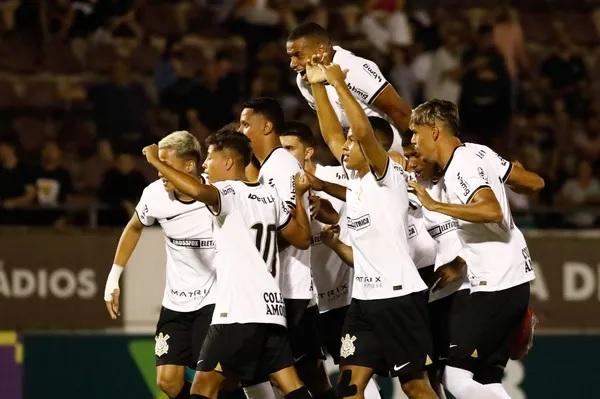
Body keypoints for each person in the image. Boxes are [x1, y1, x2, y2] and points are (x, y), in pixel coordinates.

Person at [141, 128, 313, 399]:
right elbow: (303, 238)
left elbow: (196, 190)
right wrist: (300, 197)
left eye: (210, 158)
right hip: (271, 309)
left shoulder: (227, 192)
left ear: (228, 162)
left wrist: (156, 162)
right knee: (290, 384)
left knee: (202, 388)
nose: (205, 165)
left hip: (237, 311)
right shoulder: (270, 196)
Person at [307, 58, 437, 399]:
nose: (344, 146)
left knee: (414, 386)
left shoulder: (386, 177)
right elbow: (332, 134)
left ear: (372, 149)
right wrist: (318, 85)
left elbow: (361, 131)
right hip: (363, 300)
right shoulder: (357, 181)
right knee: (349, 388)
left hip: (398, 297)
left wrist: (338, 83)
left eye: (353, 142)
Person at [409, 99, 542, 399]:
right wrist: (517, 180)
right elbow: (534, 183)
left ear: (434, 131)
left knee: (455, 379)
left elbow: (491, 210)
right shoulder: (479, 151)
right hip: (514, 277)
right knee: (485, 379)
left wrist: (434, 204)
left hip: (494, 282)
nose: (414, 142)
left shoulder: (461, 166)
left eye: (415, 133)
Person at [104, 131, 216, 399]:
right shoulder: (154, 195)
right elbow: (133, 228)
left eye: (165, 164)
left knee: (210, 380)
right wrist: (113, 277)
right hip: (176, 302)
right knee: (168, 382)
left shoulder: (216, 192)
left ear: (190, 165)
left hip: (215, 300)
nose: (159, 172)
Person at [239, 98, 332, 399]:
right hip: (285, 287)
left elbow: (293, 232)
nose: (241, 130)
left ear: (266, 126)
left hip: (288, 287)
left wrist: (252, 255)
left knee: (262, 371)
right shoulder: (268, 167)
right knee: (302, 376)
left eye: (245, 124)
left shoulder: (280, 167)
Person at [286, 22, 411, 152]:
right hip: (357, 159)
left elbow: (400, 112)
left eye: (298, 55)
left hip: (395, 156)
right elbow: (332, 129)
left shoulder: (353, 68)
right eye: (290, 57)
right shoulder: (303, 82)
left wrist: (414, 156)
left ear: (321, 50)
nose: (292, 64)